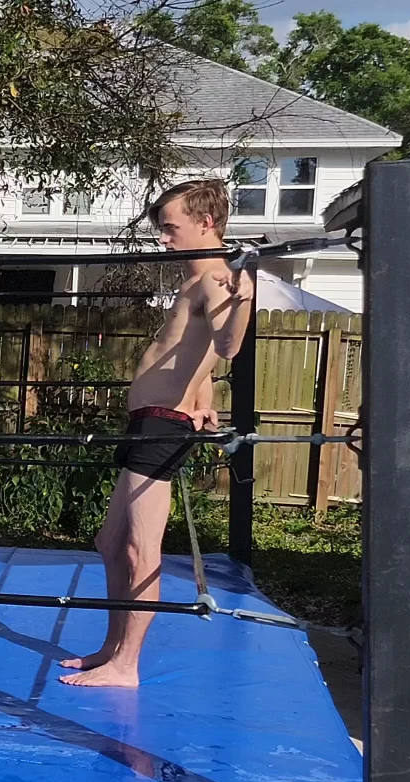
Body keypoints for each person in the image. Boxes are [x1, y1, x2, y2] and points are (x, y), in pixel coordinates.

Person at [60, 178, 253, 688]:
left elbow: (228, 345)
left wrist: (244, 300)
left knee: (140, 549)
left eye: (171, 228)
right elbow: (202, 356)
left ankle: (127, 666)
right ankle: (111, 648)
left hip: (162, 427)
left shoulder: (216, 280)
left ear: (205, 223)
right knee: (110, 542)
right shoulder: (197, 282)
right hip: (151, 421)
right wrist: (205, 401)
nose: (164, 239)